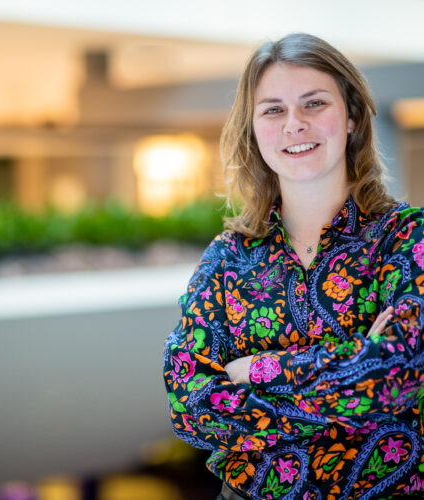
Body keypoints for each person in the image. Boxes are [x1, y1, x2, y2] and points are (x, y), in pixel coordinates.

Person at [163, 33, 424, 499]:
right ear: (254, 129)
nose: (294, 125)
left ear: (351, 118)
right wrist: (351, 371)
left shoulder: (407, 238)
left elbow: (396, 378)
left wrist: (255, 371)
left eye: (314, 103)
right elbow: (189, 407)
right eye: (273, 110)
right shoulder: (227, 260)